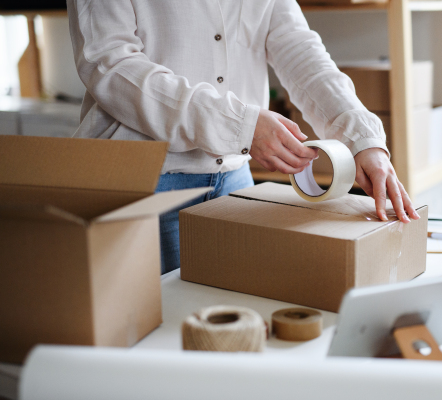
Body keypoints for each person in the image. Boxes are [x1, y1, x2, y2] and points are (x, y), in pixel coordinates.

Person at [67, 0, 420, 274]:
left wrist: (362, 138)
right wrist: (238, 124)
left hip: (234, 180)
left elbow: (299, 50)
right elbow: (110, 65)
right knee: (161, 342)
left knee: (239, 327)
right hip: (145, 181)